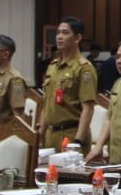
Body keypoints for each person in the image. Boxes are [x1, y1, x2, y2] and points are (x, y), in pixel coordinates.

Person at [40, 17, 98, 151]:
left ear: (77, 38)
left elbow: (88, 108)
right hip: (51, 135)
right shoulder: (53, 67)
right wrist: (41, 134)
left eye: (65, 33)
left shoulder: (84, 68)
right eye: (58, 33)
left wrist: (78, 141)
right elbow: (46, 104)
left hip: (71, 134)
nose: (59, 37)